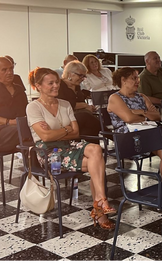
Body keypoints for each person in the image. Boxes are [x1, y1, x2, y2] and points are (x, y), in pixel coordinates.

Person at [26, 67, 116, 230]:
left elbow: (76, 133)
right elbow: (45, 138)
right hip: (49, 153)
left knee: (96, 150)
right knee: (96, 164)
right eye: (50, 83)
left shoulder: (65, 104)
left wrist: (56, 132)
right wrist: (65, 130)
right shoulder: (33, 107)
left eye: (57, 82)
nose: (55, 86)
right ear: (38, 86)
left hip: (70, 146)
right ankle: (100, 208)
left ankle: (100, 200)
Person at [57, 61, 101, 138]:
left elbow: (81, 103)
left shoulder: (77, 87)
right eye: (80, 75)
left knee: (90, 129)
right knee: (86, 117)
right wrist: (84, 105)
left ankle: (90, 146)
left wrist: (89, 107)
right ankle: (111, 136)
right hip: (65, 118)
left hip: (80, 118)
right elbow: (65, 104)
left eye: (84, 76)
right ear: (70, 74)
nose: (83, 79)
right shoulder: (59, 86)